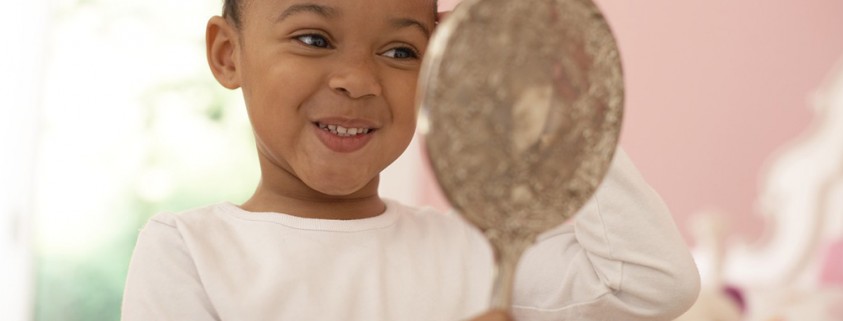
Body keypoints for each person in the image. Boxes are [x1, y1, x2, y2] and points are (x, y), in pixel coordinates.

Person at [121, 0, 700, 320]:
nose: (358, 80)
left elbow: (651, 283)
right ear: (229, 54)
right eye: (314, 39)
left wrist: (551, 106)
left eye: (402, 51)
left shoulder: (479, 253)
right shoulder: (188, 251)